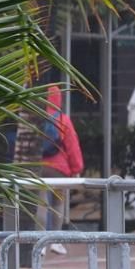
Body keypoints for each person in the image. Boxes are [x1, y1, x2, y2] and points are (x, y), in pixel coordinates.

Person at [40, 85, 84, 255]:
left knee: (40, 205)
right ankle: (56, 241)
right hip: (59, 169)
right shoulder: (63, 119)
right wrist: (76, 168)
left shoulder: (35, 117)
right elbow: (73, 146)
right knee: (58, 204)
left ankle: (41, 243)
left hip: (38, 168)